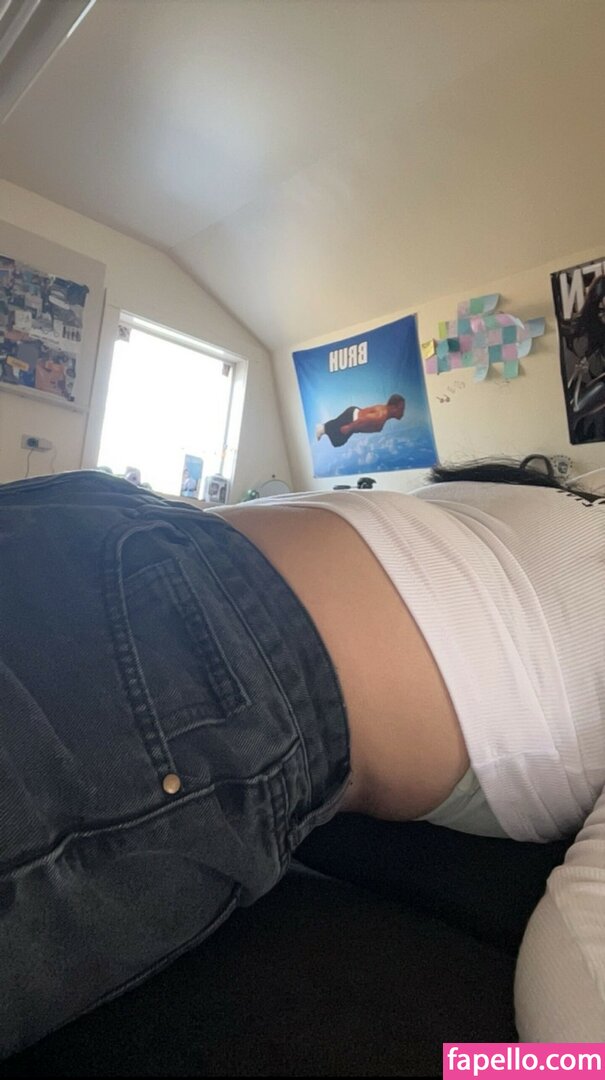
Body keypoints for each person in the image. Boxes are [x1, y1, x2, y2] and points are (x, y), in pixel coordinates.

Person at [0, 458, 603, 1055]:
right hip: (209, 650)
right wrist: (481, 1069)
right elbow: (580, 968)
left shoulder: (559, 501)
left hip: (97, 516)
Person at [315, 393, 405, 447]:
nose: (403, 412)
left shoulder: (383, 411)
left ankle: (323, 428)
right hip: (352, 418)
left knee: (337, 439)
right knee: (338, 441)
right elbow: (364, 419)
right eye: (401, 409)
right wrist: (350, 427)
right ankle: (322, 428)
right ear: (393, 408)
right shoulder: (380, 416)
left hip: (354, 415)